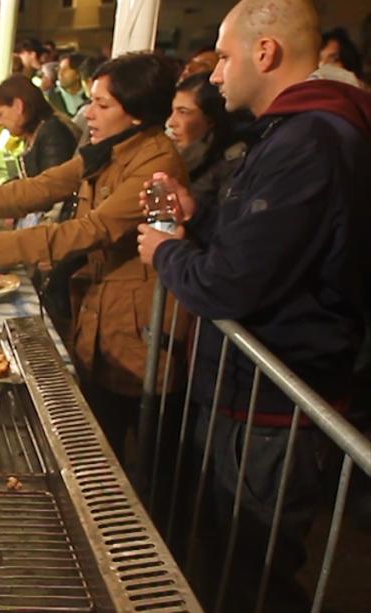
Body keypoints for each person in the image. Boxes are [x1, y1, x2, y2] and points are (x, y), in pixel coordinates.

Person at [136, 1, 371, 609]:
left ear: (265, 53)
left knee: (251, 570)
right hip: (248, 397)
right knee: (222, 553)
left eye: (223, 57)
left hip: (274, 407)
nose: (214, 75)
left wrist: (164, 253)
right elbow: (270, 245)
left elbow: (229, 284)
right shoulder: (291, 133)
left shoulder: (312, 140)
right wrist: (202, 216)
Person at [0, 52, 187, 458]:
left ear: (139, 114)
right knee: (97, 420)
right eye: (90, 101)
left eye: (103, 105)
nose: (88, 113)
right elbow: (39, 188)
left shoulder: (156, 163)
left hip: (135, 320)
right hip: (97, 307)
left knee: (122, 438)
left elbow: (93, 229)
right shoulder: (107, 147)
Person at [0, 74, 78, 226]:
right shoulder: (37, 133)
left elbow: (50, 193)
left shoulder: (53, 133)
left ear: (19, 106)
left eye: (1, 114)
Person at [165, 73, 244, 211]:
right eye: (173, 112)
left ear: (212, 119)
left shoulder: (233, 166)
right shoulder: (179, 160)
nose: (171, 123)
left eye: (183, 112)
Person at [48, 53, 91, 118]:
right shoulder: (51, 97)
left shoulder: (90, 95)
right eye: (59, 69)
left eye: (65, 70)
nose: (60, 73)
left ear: (78, 73)